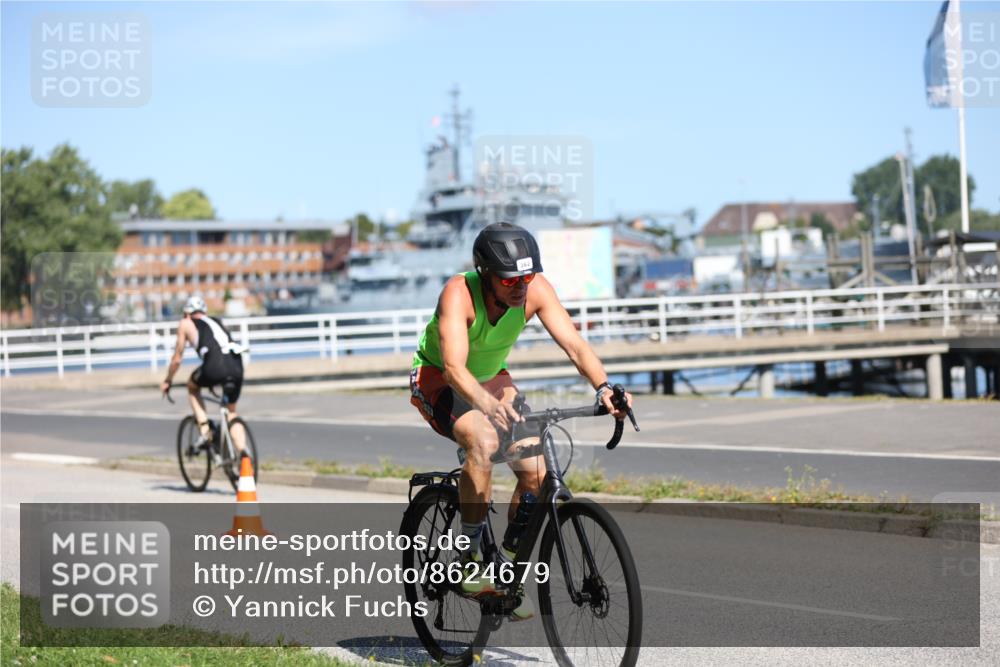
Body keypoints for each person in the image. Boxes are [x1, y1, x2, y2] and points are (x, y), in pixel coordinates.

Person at [409, 222, 633, 618]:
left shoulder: (536, 291)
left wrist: (604, 387)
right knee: (482, 440)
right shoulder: (458, 294)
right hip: (438, 380)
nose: (521, 286)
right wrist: (485, 405)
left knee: (535, 469)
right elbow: (454, 369)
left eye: (527, 277)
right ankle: (470, 558)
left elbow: (576, 346)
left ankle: (506, 569)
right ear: (485, 275)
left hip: (493, 377)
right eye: (511, 279)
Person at [160, 296, 247, 455]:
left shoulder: (186, 323)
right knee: (231, 412)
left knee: (192, 387)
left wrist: (168, 380)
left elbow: (177, 359)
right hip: (236, 365)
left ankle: (206, 433)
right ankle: (243, 453)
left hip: (214, 366)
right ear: (204, 312)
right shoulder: (216, 321)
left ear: (187, 313)